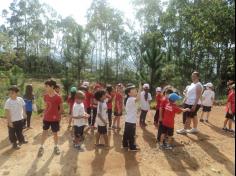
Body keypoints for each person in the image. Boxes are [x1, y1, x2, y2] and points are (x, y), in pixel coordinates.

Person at [37, 79, 63, 157]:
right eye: (45, 86)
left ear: (52, 86)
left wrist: (57, 116)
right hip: (46, 118)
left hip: (54, 119)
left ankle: (56, 146)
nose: (45, 88)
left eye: (47, 86)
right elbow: (46, 106)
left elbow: (61, 109)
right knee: (44, 132)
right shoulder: (45, 96)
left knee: (55, 133)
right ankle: (41, 147)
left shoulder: (58, 97)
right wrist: (44, 113)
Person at [122, 84, 141, 152]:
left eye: (135, 90)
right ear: (129, 93)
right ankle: (132, 147)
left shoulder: (129, 99)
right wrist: (140, 89)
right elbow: (138, 99)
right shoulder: (131, 99)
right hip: (131, 121)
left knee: (126, 134)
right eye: (134, 90)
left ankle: (125, 145)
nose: (135, 91)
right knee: (132, 135)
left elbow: (137, 105)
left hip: (128, 120)